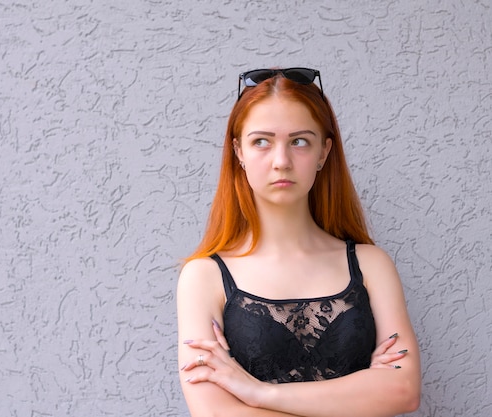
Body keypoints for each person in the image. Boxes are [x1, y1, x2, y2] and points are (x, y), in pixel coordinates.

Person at [176, 68, 421, 417]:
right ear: (238, 151)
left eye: (299, 141)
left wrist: (256, 393)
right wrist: (363, 391)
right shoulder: (203, 277)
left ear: (324, 152)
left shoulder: (370, 265)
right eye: (261, 141)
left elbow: (404, 390)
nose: (281, 161)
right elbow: (217, 413)